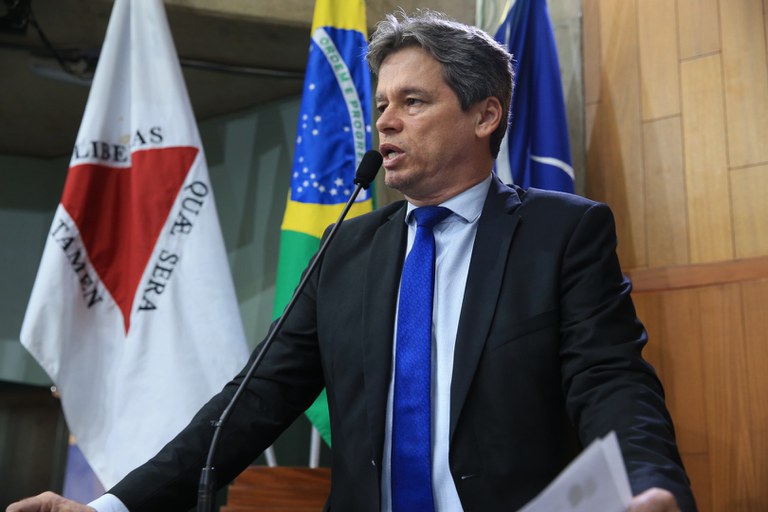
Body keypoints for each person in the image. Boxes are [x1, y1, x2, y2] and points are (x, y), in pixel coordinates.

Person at [8, 10, 696, 512]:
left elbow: (611, 383)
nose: (384, 122)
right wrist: (114, 507)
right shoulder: (346, 250)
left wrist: (648, 486)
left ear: (485, 116)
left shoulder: (562, 234)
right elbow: (252, 401)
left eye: (412, 102)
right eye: (382, 104)